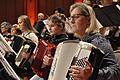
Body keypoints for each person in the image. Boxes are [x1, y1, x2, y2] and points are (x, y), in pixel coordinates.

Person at [68, 3, 120, 80]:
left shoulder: (99, 41)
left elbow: (116, 72)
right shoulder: (76, 43)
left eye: (76, 17)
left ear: (89, 20)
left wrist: (92, 73)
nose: (71, 21)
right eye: (70, 17)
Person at [30, 14, 69, 80]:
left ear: (61, 26)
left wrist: (53, 62)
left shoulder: (65, 42)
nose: (50, 28)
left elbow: (65, 63)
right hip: (45, 72)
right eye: (49, 26)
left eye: (52, 26)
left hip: (56, 74)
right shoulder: (50, 39)